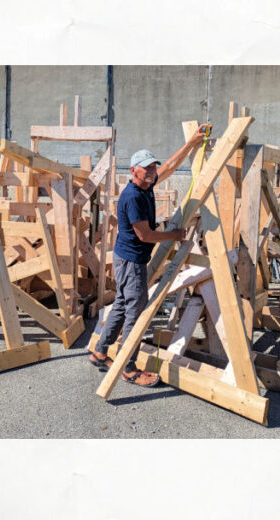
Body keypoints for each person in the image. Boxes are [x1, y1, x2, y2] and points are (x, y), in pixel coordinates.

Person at [90, 125, 208, 387]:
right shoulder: (132, 196)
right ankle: (129, 368)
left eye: (153, 168)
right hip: (131, 262)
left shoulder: (148, 184)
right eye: (147, 168)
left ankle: (100, 350)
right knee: (135, 313)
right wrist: (174, 235)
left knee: (122, 303)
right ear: (134, 171)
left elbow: (170, 165)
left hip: (129, 259)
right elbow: (144, 235)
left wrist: (192, 143)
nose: (153, 172)